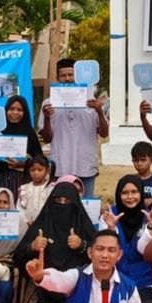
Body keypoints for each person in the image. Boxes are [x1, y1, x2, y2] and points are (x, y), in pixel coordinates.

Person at [12, 183, 96, 303]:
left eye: (67, 201)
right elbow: (17, 257)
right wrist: (32, 247)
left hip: (75, 288)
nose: (62, 205)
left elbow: (101, 256)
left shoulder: (83, 226)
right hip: (43, 286)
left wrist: (82, 245)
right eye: (58, 200)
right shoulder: (42, 225)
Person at [38, 58, 110, 198]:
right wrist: (47, 118)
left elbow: (104, 134)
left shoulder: (92, 102)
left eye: (71, 75)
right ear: (58, 78)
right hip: (60, 167)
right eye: (63, 75)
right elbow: (47, 138)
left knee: (86, 207)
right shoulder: (49, 103)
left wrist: (100, 112)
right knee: (61, 206)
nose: (67, 78)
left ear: (78, 76)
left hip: (85, 166)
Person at [101, 175, 152, 298]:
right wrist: (111, 228)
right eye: (125, 193)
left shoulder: (149, 216)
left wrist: (151, 225)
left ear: (141, 193)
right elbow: (105, 250)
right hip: (114, 281)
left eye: (134, 192)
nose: (130, 197)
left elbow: (146, 252)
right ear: (118, 195)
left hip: (143, 283)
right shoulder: (109, 216)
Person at [0, 95, 43, 201]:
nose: (15, 113)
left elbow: (39, 160)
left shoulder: (29, 132)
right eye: (11, 109)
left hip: (21, 181)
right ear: (5, 111)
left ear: (25, 113)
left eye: (19, 110)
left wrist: (23, 163)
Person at [19, 155, 54, 227]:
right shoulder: (24, 188)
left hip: (46, 225)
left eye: (40, 170)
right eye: (32, 170)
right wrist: (26, 221)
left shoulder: (51, 188)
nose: (36, 173)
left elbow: (52, 207)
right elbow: (20, 208)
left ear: (47, 171)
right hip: (27, 226)